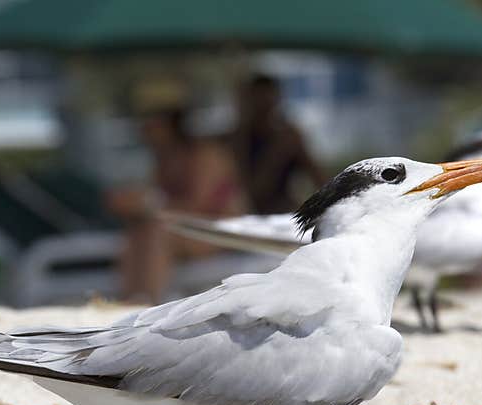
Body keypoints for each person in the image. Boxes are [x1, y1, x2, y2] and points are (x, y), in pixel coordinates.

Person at [110, 83, 247, 302]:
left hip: (223, 234)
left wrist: (146, 204)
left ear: (170, 123)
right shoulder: (164, 160)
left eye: (149, 123)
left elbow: (198, 206)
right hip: (191, 232)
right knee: (138, 233)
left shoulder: (206, 155)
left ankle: (146, 305)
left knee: (157, 233)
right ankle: (128, 304)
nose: (143, 130)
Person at [233, 74, 326, 214]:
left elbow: (320, 180)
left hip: (282, 212)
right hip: (246, 214)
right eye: (258, 102)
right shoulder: (239, 139)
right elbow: (251, 192)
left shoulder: (289, 137)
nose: (264, 109)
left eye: (268, 102)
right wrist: (277, 152)